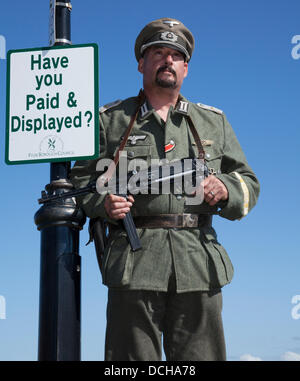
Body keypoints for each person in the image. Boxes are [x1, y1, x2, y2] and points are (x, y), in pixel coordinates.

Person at [70, 17, 260, 361]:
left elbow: (249, 182)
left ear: (185, 68)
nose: (167, 60)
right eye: (157, 52)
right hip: (133, 264)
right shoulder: (109, 120)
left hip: (198, 263)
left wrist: (226, 189)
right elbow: (81, 182)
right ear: (142, 63)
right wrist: (103, 202)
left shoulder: (212, 121)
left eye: (175, 55)